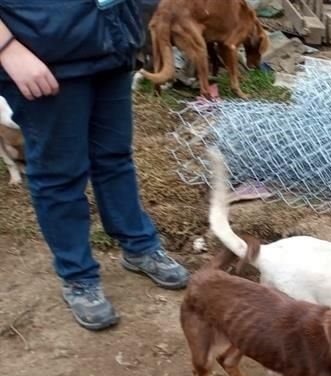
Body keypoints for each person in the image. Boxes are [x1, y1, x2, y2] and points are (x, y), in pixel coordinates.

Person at [0, 0, 189, 332]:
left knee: (115, 158)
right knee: (59, 174)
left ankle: (139, 246)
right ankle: (78, 276)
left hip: (110, 43)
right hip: (43, 55)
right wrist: (7, 47)